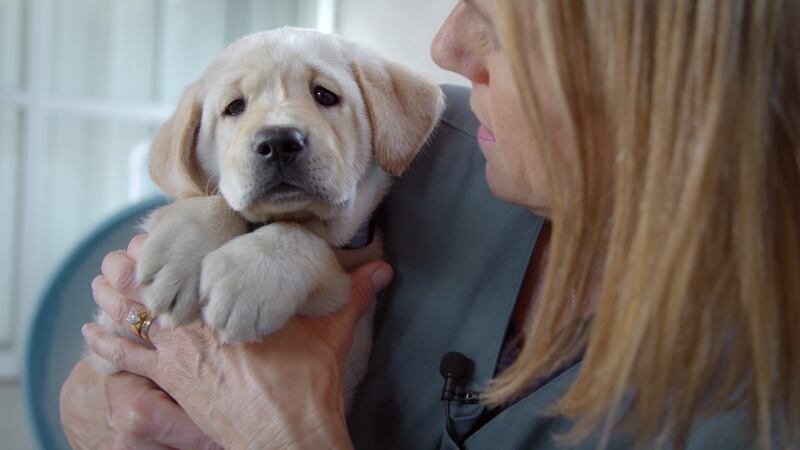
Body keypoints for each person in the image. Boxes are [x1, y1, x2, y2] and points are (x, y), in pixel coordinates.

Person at [60, 0, 799, 449]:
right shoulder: (437, 143)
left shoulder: (759, 403)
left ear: (660, 68)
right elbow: (96, 392)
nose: (447, 45)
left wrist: (284, 435)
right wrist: (102, 406)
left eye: (503, 22)